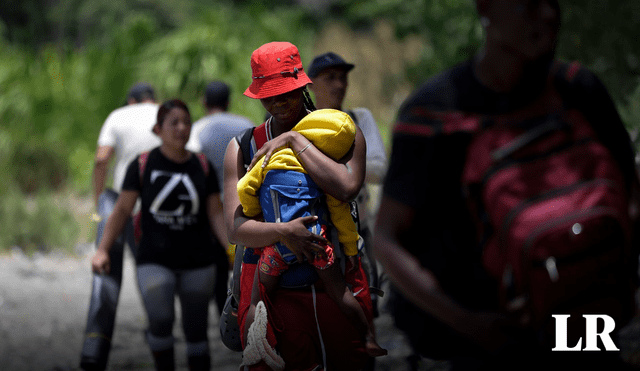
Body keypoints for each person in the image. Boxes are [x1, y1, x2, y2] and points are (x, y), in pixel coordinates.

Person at [373, 0, 640, 370]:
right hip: (488, 341)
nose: (547, 13)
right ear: (486, 10)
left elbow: (630, 195)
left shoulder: (580, 90)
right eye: (527, 4)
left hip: (585, 322)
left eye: (552, 2)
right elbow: (386, 238)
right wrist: (472, 325)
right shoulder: (435, 115)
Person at [223, 41, 375, 371]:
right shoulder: (243, 146)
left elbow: (347, 188)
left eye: (287, 92)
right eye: (269, 95)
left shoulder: (341, 134)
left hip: (336, 284)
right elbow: (235, 229)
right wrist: (283, 232)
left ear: (303, 85)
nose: (278, 102)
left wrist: (295, 140)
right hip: (273, 293)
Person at [237, 108, 387, 358]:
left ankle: (253, 347)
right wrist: (350, 250)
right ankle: (368, 337)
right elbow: (341, 213)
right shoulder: (319, 168)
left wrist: (260, 215)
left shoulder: (267, 160)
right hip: (317, 239)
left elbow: (245, 194)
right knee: (340, 293)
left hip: (278, 248)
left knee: (258, 299)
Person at [91, 99, 227, 371]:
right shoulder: (143, 165)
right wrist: (103, 248)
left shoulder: (203, 166)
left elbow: (215, 214)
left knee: (197, 330)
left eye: (186, 122)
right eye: (173, 122)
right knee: (160, 320)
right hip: (154, 258)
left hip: (199, 260)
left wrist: (230, 248)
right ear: (158, 129)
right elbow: (121, 211)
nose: (181, 128)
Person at [81, 82, 161, 371]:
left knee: (106, 272)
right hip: (155, 209)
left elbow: (102, 158)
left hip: (121, 208)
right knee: (152, 274)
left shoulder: (119, 116)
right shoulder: (165, 115)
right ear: (154, 100)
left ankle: (94, 348)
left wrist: (99, 201)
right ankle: (160, 341)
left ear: (131, 101)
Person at [307, 51, 388, 311]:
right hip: (314, 235)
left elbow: (380, 169)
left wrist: (325, 163)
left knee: (365, 304)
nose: (339, 85)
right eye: (330, 78)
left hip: (358, 230)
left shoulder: (359, 118)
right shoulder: (301, 124)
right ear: (310, 84)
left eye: (343, 78)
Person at [194, 80, 256, 314]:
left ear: (204, 102)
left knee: (218, 258)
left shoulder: (197, 129)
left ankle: (224, 309)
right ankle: (245, 303)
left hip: (211, 205)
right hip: (244, 201)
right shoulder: (247, 125)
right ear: (229, 101)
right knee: (247, 255)